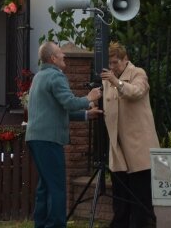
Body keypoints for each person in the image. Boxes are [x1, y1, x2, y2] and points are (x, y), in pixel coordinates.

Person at [26, 41, 102, 228]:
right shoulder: (56, 76)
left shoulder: (39, 76)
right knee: (57, 187)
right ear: (53, 58)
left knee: (45, 186)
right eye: (61, 53)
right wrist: (89, 98)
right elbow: (68, 102)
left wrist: (86, 114)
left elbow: (56, 110)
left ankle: (41, 224)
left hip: (35, 138)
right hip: (49, 140)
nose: (64, 56)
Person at [100, 42, 159, 228]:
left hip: (138, 146)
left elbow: (137, 91)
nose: (112, 67)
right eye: (109, 63)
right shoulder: (107, 79)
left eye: (115, 62)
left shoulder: (137, 73)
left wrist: (116, 82)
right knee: (120, 196)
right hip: (117, 146)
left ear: (126, 60)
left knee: (140, 196)